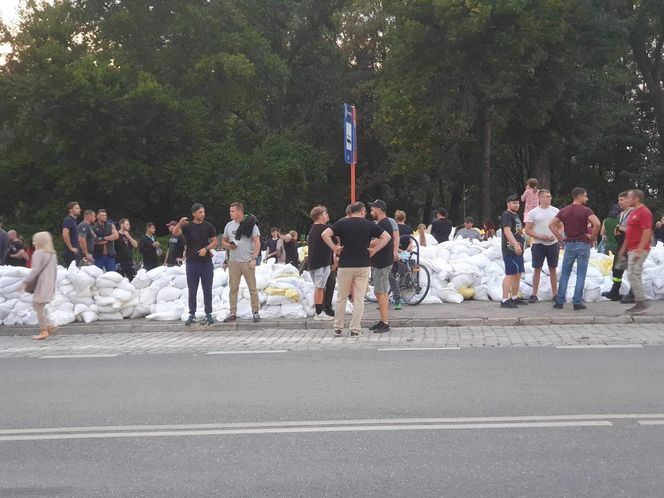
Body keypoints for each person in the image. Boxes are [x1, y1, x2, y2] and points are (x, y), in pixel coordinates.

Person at [321, 201, 391, 337]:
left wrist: (334, 247)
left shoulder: (342, 223)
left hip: (345, 264)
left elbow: (325, 234)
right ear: (362, 211)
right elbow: (387, 237)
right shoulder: (369, 224)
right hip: (363, 265)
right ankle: (355, 328)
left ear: (350, 211)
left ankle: (338, 327)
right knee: (358, 298)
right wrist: (374, 250)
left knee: (342, 297)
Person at [550, 187, 600, 310]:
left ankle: (559, 301)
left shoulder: (564, 210)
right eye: (585, 196)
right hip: (583, 243)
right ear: (579, 196)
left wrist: (561, 239)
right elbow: (597, 223)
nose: (586, 199)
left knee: (565, 273)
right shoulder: (586, 210)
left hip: (569, 244)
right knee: (581, 274)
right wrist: (592, 237)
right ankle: (577, 302)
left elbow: (551, 224)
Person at [173, 203, 218, 326]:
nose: (202, 214)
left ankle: (208, 314)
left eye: (203, 212)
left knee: (207, 288)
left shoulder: (208, 226)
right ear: (193, 214)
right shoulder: (188, 227)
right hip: (192, 262)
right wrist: (179, 223)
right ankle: (192, 314)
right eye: (199, 212)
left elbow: (215, 241)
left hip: (206, 262)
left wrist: (206, 249)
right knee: (192, 289)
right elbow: (175, 233)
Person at [221, 202, 261, 323]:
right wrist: (229, 246)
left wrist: (254, 258)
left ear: (239, 211)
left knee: (252, 288)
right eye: (230, 211)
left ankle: (255, 312)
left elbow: (257, 243)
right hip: (233, 262)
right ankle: (233, 312)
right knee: (233, 288)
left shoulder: (251, 225)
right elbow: (223, 241)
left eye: (232, 211)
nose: (230, 213)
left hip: (247, 261)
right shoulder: (229, 225)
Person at [369, 200, 400, 332]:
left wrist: (367, 243)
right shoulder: (384, 223)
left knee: (380, 292)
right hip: (382, 261)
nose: (371, 212)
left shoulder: (383, 223)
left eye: (372, 209)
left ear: (379, 209)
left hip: (382, 262)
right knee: (381, 292)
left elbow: (379, 240)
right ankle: (382, 320)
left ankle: (385, 323)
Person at [620, 189, 653, 314]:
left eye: (629, 197)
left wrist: (640, 248)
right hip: (632, 248)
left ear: (636, 199)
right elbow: (630, 232)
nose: (627, 199)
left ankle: (640, 302)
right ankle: (640, 302)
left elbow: (646, 231)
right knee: (635, 274)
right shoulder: (634, 212)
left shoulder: (644, 212)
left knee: (633, 274)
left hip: (639, 249)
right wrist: (624, 247)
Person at [524, 189, 559, 303]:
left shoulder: (555, 210)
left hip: (553, 243)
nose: (549, 198)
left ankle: (555, 294)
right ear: (540, 198)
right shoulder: (533, 212)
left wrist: (557, 235)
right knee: (537, 269)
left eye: (550, 196)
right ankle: (534, 294)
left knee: (552, 269)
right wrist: (539, 236)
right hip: (538, 244)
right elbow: (527, 230)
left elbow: (561, 226)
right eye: (546, 196)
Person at [22, 232, 57, 340]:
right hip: (50, 282)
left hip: (41, 283)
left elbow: (35, 270)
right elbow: (55, 270)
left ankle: (44, 330)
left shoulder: (38, 253)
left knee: (38, 306)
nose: (33, 242)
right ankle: (47, 325)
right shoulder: (52, 253)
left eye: (34, 240)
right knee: (36, 304)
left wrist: (25, 281)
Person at [601, 192, 632, 302]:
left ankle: (633, 294)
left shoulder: (633, 213)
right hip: (621, 244)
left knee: (631, 270)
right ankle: (615, 291)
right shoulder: (623, 214)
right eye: (618, 200)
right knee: (617, 269)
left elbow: (634, 230)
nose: (619, 202)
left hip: (631, 246)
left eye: (621, 200)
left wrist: (621, 229)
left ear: (629, 200)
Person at [500, 195, 528, 308]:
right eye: (513, 203)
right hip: (510, 248)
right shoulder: (506, 215)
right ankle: (505, 299)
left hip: (519, 248)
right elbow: (507, 231)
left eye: (517, 203)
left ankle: (515, 296)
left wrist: (524, 239)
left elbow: (518, 230)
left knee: (518, 273)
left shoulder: (515, 215)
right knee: (510, 273)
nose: (516, 205)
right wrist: (516, 244)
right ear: (508, 204)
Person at [307, 206, 334, 321]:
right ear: (319, 216)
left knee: (319, 287)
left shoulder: (313, 228)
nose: (327, 215)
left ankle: (320, 310)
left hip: (314, 263)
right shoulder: (324, 228)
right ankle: (319, 313)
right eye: (325, 213)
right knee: (319, 287)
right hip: (321, 263)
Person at [62, 201, 81, 268]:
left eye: (79, 208)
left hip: (75, 251)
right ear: (70, 210)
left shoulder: (74, 221)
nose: (79, 210)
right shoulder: (68, 220)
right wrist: (70, 248)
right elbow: (65, 234)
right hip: (70, 253)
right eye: (76, 208)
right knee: (72, 273)